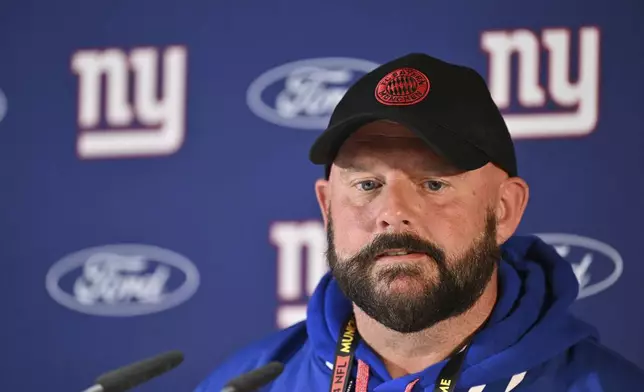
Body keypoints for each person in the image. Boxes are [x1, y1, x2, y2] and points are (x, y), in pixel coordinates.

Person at [194, 53, 644, 391]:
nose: (393, 213)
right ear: (327, 207)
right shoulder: (245, 383)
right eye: (367, 184)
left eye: (433, 184)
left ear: (504, 209)